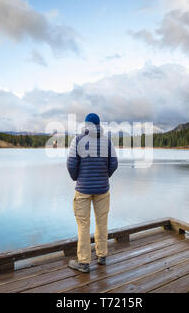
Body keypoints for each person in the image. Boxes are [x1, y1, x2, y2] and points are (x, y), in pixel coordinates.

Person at [66, 113, 118, 273]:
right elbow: (114, 163)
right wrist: (104, 176)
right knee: (101, 222)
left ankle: (84, 263)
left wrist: (77, 178)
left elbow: (71, 163)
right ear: (99, 125)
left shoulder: (78, 140)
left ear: (86, 124)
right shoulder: (107, 141)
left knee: (83, 224)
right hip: (103, 189)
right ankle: (101, 256)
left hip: (83, 190)